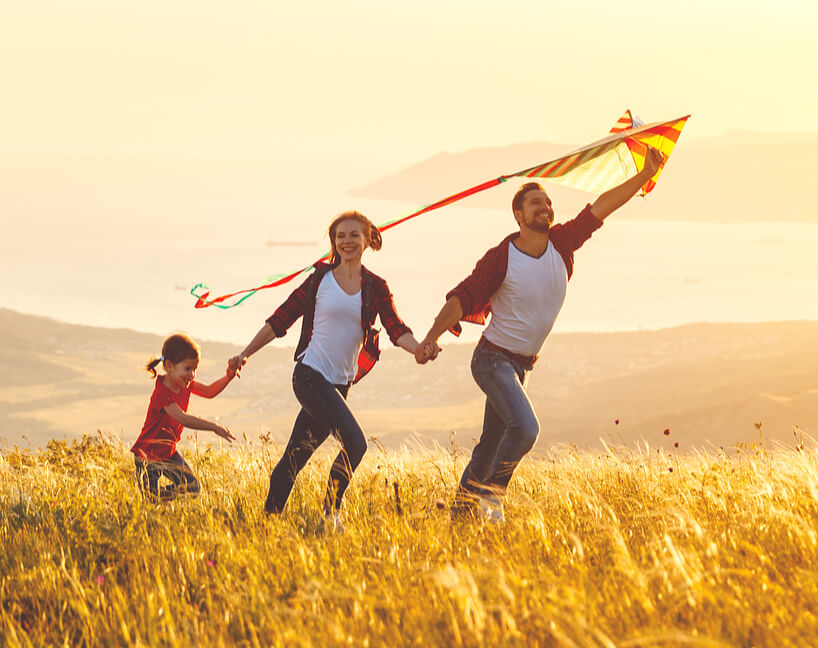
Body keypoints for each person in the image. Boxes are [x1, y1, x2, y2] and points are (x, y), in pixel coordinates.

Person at [416, 148, 665, 523]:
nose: (545, 207)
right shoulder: (502, 257)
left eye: (548, 202)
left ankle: (460, 521)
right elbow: (462, 296)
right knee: (526, 429)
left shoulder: (563, 243)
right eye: (535, 203)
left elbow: (603, 206)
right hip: (491, 361)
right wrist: (431, 337)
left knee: (488, 448)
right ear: (518, 215)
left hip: (520, 367)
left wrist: (644, 174)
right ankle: (492, 496)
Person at [228, 210, 424, 532]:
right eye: (340, 235)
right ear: (333, 242)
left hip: (338, 385)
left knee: (296, 455)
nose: (346, 241)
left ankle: (267, 523)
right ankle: (329, 516)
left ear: (367, 240)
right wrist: (244, 354)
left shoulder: (375, 287)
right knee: (356, 445)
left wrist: (417, 348)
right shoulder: (319, 279)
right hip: (309, 375)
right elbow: (281, 319)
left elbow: (395, 327)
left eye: (353, 235)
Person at [132, 333, 237, 500]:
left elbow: (209, 392)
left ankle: (158, 502)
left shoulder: (185, 385)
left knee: (192, 488)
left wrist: (229, 377)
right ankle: (155, 501)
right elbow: (183, 418)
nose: (192, 374)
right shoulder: (163, 393)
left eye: (195, 369)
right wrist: (214, 427)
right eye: (187, 369)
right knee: (151, 499)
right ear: (169, 366)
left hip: (168, 453)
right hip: (147, 457)